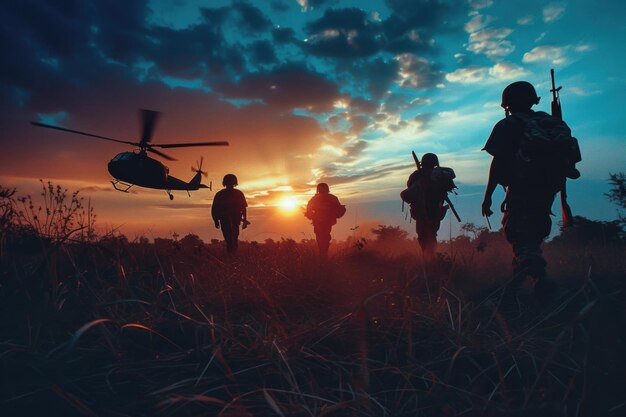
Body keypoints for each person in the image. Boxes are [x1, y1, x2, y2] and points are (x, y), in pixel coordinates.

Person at [481, 81, 561, 301]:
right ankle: (514, 290)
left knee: (519, 236)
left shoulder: (508, 125)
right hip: (546, 191)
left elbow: (497, 164)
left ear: (507, 104)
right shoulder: (548, 123)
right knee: (530, 237)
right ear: (533, 100)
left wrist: (487, 197)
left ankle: (540, 280)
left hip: (521, 189)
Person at [403, 153, 452, 260]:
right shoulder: (440, 175)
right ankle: (431, 258)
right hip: (436, 212)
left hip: (421, 211)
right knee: (432, 234)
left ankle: (429, 260)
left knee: (424, 236)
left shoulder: (416, 175)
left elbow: (409, 188)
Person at [211, 174, 249, 256]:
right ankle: (232, 255)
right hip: (230, 220)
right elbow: (244, 208)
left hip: (229, 220)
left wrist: (216, 220)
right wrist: (215, 220)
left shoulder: (220, 194)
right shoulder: (238, 193)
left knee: (230, 239)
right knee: (232, 239)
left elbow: (214, 209)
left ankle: (231, 255)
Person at [305, 183, 345, 258]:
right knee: (324, 238)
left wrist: (311, 215)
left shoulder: (314, 199)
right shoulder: (332, 198)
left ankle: (323, 254)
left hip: (321, 222)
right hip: (325, 222)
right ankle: (323, 254)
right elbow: (339, 209)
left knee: (321, 238)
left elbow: (309, 210)